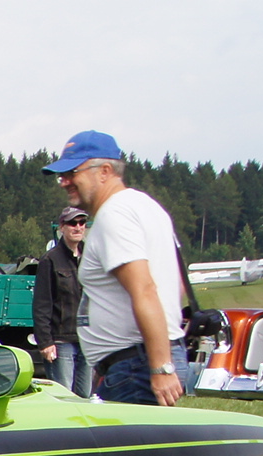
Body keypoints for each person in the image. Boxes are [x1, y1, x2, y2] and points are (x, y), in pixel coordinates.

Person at [44, 131, 185, 405]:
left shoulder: (114, 215)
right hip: (137, 361)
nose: (64, 182)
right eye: (61, 176)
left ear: (105, 171)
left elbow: (145, 289)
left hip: (137, 365)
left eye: (72, 173)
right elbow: (175, 287)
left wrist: (160, 367)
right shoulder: (147, 207)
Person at [33, 207, 89, 395]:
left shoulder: (91, 258)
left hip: (87, 340)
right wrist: (45, 342)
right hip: (61, 341)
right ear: (62, 227)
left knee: (86, 397)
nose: (78, 227)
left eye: (82, 223)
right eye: (72, 223)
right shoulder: (50, 260)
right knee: (64, 396)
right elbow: (41, 304)